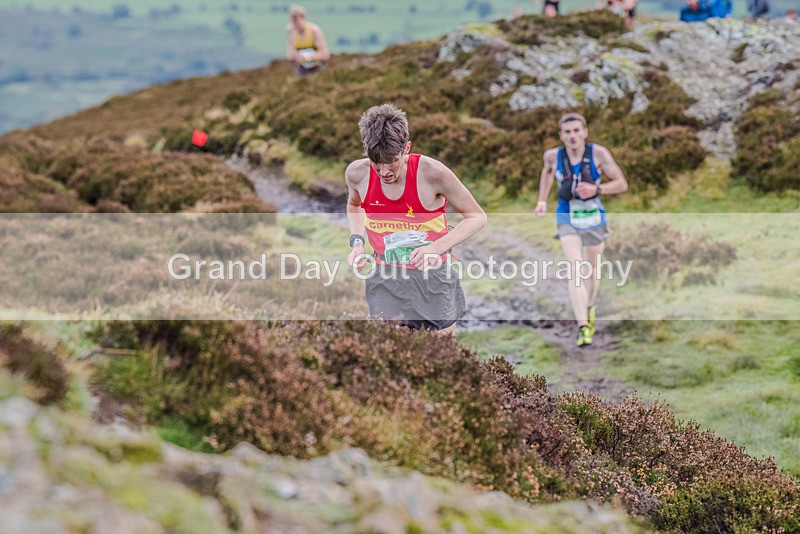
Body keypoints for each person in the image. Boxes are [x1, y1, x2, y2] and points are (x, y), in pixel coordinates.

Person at [345, 104, 487, 334]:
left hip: (433, 278)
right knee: (388, 350)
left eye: (391, 160)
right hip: (384, 275)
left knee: (441, 353)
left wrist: (436, 248)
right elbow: (354, 205)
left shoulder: (434, 173)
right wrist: (357, 243)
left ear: (406, 148)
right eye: (375, 162)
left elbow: (477, 217)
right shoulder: (357, 174)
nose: (384, 172)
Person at [535, 113, 628, 347]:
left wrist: (597, 190)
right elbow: (546, 173)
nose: (573, 136)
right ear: (561, 135)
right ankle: (583, 326)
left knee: (592, 272)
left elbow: (621, 183)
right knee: (576, 270)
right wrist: (542, 200)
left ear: (585, 132)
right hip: (567, 217)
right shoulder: (552, 156)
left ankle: (589, 306)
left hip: (594, 217)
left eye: (577, 130)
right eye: (567, 132)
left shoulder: (598, 154)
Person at [285, 5, 330, 76]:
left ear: (303, 18)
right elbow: (289, 56)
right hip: (302, 69)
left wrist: (307, 57)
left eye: (296, 20)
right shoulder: (292, 33)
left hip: (318, 67)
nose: (295, 24)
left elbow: (325, 54)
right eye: (293, 20)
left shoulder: (314, 31)